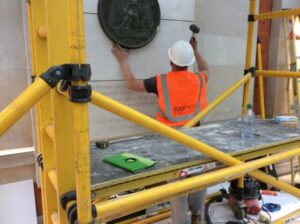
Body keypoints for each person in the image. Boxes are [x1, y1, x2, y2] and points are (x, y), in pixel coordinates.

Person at [111, 37, 208, 224]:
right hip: (197, 139)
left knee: (176, 186)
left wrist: (123, 60)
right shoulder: (200, 79)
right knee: (198, 178)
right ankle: (197, 216)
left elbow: (131, 84)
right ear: (190, 63)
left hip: (171, 141)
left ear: (170, 61)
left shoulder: (161, 81)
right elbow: (206, 69)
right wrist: (195, 51)